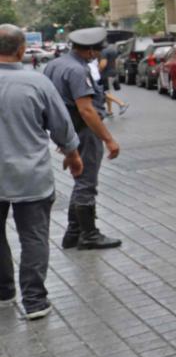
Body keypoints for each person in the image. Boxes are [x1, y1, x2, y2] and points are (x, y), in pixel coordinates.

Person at [0, 25, 84, 320]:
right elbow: (61, 126)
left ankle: (4, 292)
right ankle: (35, 301)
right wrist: (73, 156)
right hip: (30, 176)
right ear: (22, 50)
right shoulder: (36, 83)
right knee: (33, 236)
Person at [42, 26, 122, 250]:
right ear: (89, 51)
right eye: (97, 52)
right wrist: (108, 139)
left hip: (70, 131)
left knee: (81, 181)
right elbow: (87, 110)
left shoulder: (54, 65)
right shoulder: (78, 70)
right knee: (86, 182)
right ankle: (89, 235)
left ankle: (74, 233)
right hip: (84, 130)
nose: (98, 56)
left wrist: (64, 140)